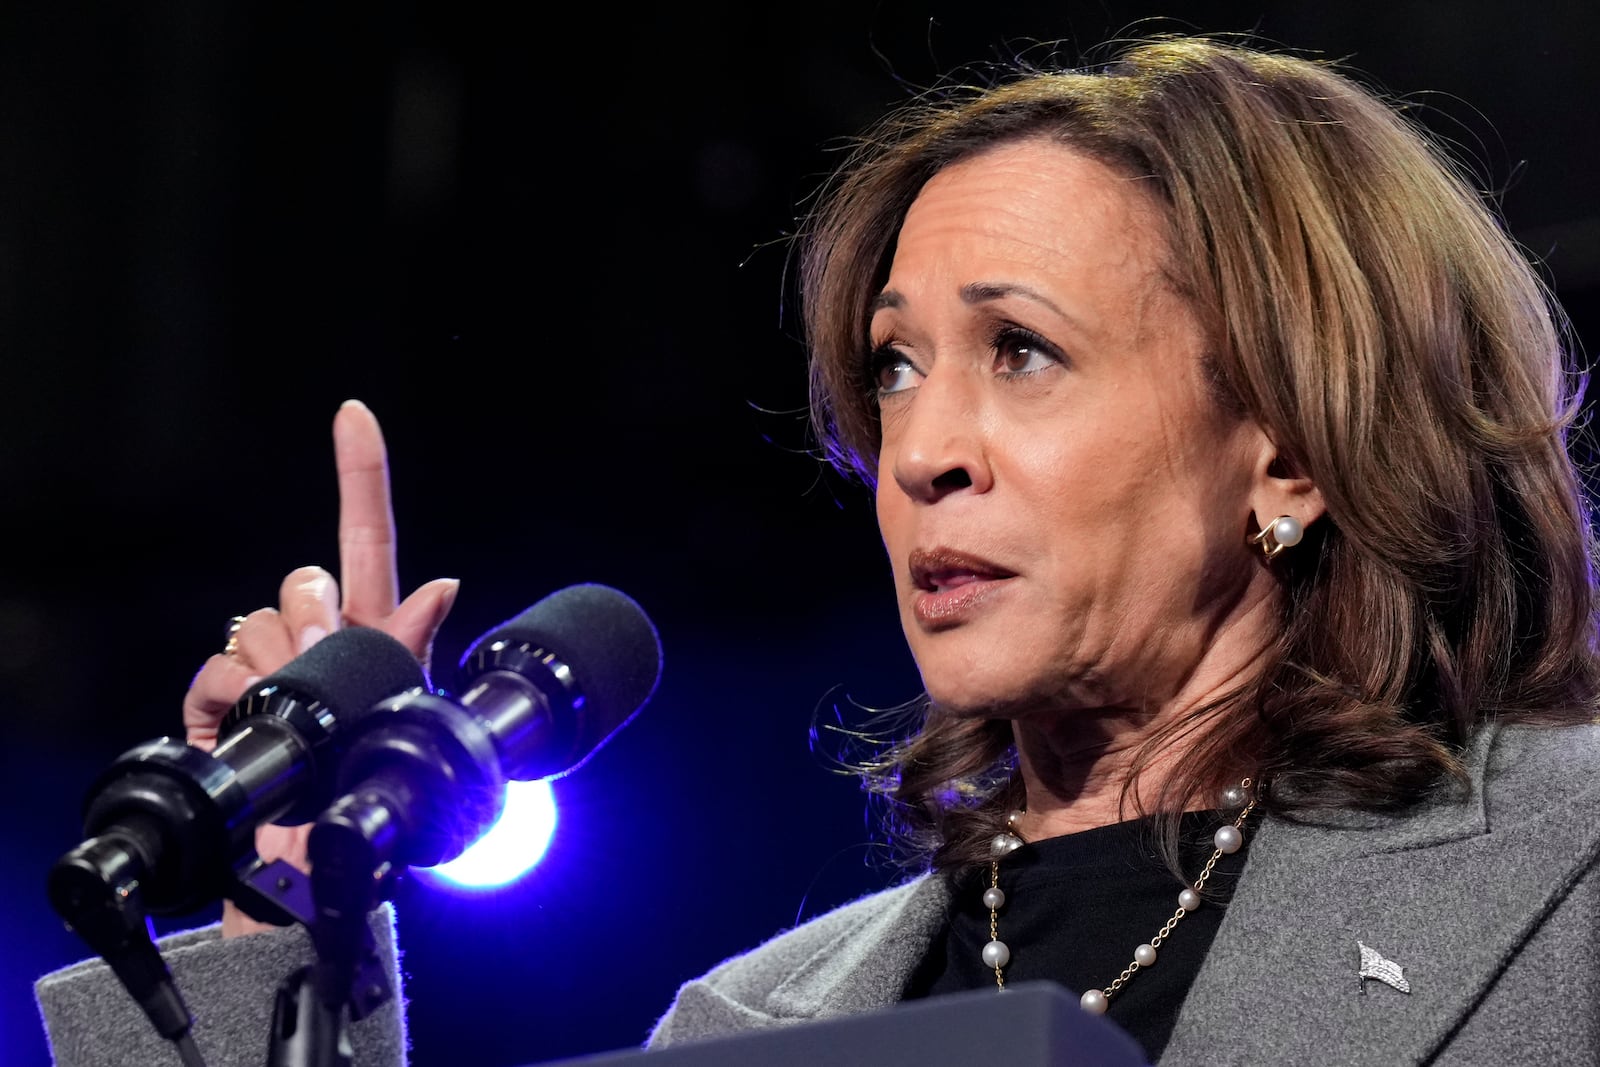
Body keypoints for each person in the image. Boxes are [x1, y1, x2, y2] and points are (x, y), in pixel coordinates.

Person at [36, 33, 1600, 1067]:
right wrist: (286, 908)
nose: (920, 450)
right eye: (899, 365)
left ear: (1296, 447)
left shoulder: (1571, 884)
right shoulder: (747, 1024)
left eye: (1025, 354)